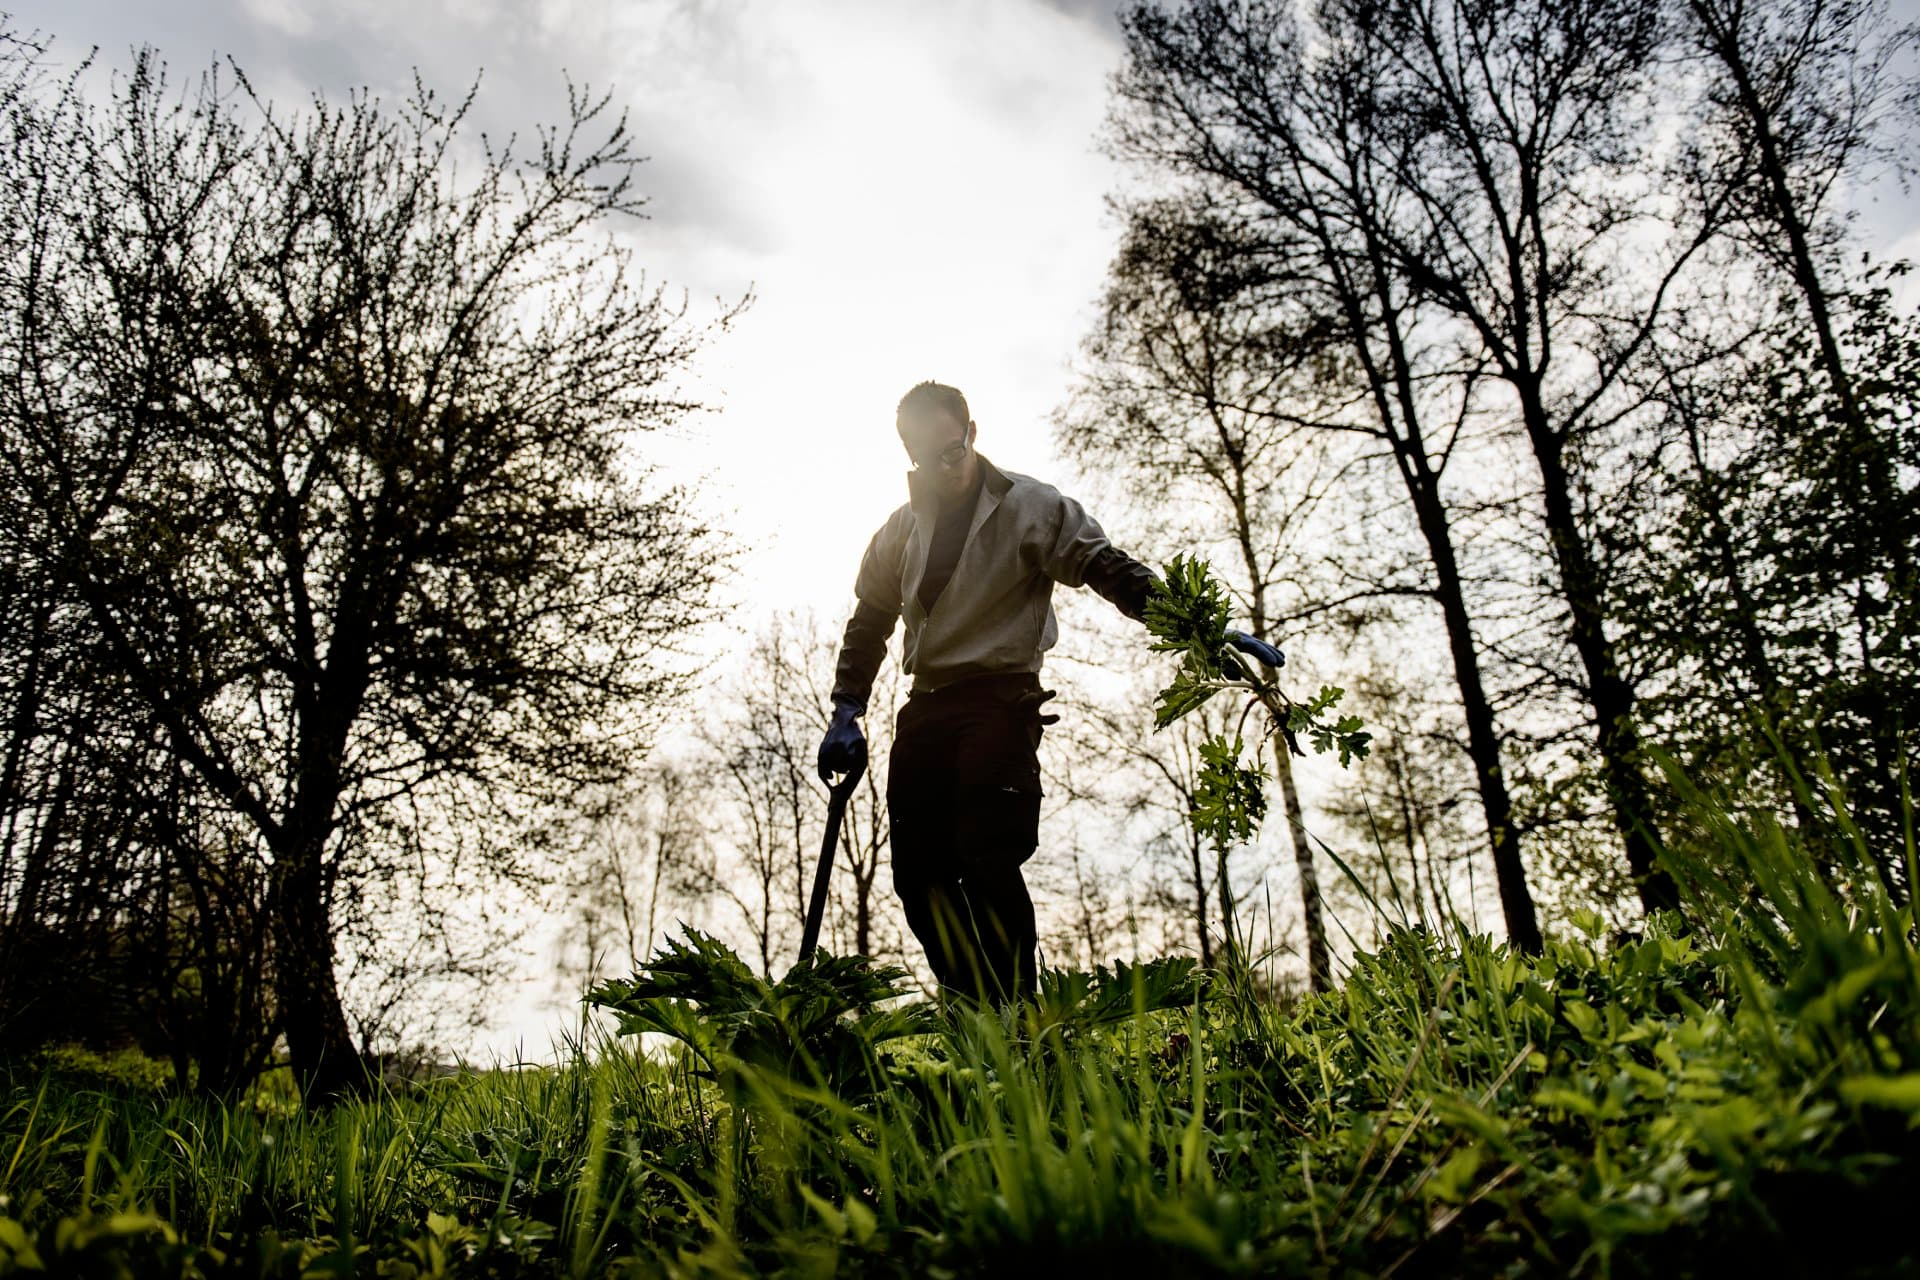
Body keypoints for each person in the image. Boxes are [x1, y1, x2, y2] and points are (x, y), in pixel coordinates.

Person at [816, 381, 1282, 1005]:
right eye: (927, 460)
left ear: (972, 433)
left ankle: (1019, 1019)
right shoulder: (899, 530)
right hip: (926, 706)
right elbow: (869, 621)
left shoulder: (1031, 506)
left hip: (1002, 702)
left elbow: (1109, 569)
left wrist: (1194, 624)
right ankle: (973, 1014)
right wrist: (847, 708)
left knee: (986, 858)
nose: (945, 470)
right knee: (919, 876)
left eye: (952, 453)